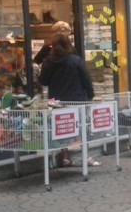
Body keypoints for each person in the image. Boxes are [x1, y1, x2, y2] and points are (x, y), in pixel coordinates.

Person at [39, 33, 96, 167]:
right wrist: (90, 95)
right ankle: (86, 157)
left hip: (58, 101)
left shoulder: (48, 62)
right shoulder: (76, 60)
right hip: (77, 100)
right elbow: (86, 79)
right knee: (82, 127)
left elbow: (43, 81)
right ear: (68, 45)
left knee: (62, 128)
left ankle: (64, 156)